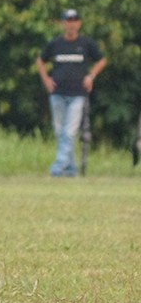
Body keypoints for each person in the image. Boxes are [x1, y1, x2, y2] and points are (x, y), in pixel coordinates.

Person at [35, 9, 106, 177]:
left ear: (79, 23)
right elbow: (40, 60)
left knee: (70, 131)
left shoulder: (86, 44)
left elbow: (101, 60)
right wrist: (46, 79)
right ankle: (70, 168)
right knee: (60, 131)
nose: (71, 24)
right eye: (68, 21)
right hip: (57, 93)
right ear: (63, 23)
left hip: (78, 95)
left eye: (74, 20)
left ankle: (58, 166)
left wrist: (91, 76)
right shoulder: (55, 44)